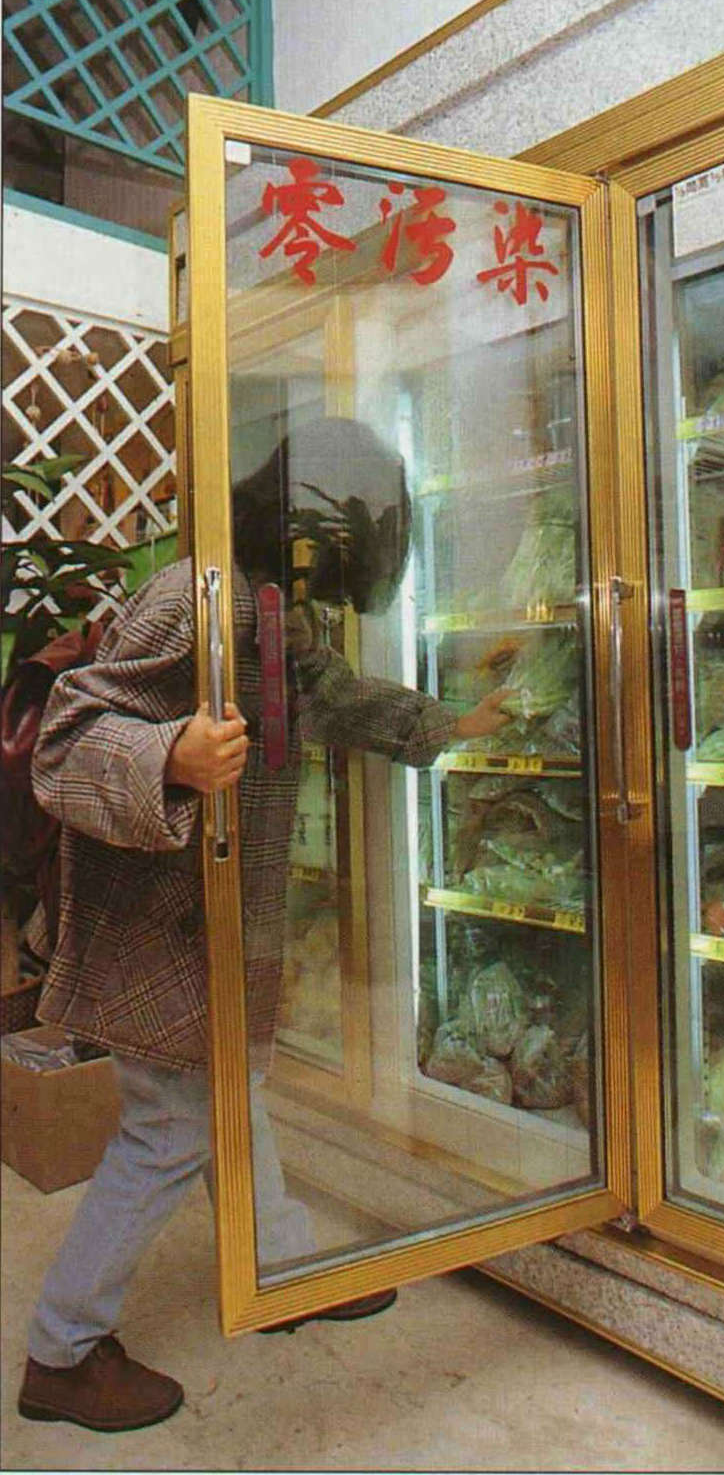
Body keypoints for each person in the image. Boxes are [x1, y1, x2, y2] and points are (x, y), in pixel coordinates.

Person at [17, 418, 511, 1433]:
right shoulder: (192, 597)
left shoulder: (262, 601)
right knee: (169, 1126)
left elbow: (321, 691)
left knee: (226, 1093)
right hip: (157, 920)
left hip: (202, 911)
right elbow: (66, 739)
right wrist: (168, 757)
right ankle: (61, 1352)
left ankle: (278, 1266)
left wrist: (444, 725)